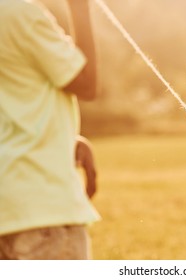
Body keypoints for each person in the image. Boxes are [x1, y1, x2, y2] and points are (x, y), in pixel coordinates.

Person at [0, 0, 100, 259]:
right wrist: (79, 7)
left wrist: (65, 139)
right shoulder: (19, 13)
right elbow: (86, 82)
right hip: (41, 210)